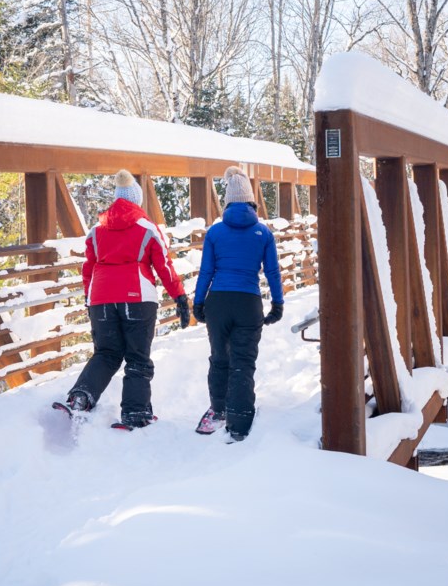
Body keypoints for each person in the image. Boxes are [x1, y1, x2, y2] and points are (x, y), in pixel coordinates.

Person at [62, 169, 190, 427]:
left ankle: (81, 396)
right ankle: (135, 412)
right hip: (137, 298)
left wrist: (90, 300)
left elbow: (88, 269)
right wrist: (180, 296)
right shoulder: (147, 228)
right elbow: (163, 266)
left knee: (107, 352)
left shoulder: (97, 229)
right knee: (137, 357)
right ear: (137, 201)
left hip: (101, 299)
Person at [191, 166, 284, 440]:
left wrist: (199, 303)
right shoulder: (263, 233)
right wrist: (277, 304)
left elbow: (206, 271)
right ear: (251, 202)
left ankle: (218, 410)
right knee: (243, 360)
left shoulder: (215, 232)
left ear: (228, 202)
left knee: (220, 358)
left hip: (218, 301)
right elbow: (272, 272)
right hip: (248, 302)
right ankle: (240, 421)